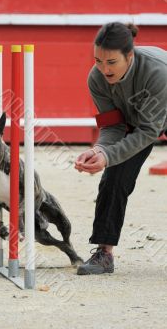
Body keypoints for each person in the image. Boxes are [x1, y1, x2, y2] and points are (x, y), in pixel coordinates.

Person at [75, 22, 167, 275]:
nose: (104, 69)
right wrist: (100, 151)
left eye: (111, 62)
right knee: (113, 179)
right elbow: (113, 126)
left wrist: (107, 155)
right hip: (136, 120)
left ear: (130, 55)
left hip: (158, 112)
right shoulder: (96, 78)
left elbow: (150, 131)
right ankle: (104, 254)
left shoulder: (158, 72)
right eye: (98, 61)